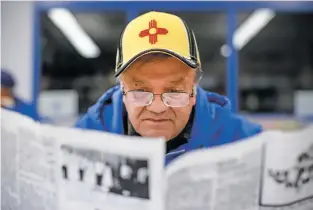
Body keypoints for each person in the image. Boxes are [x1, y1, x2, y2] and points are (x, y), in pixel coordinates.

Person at [75, 11, 263, 164]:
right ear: (122, 90)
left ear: (194, 90)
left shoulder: (244, 139)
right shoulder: (86, 135)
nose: (158, 108)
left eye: (174, 92)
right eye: (140, 91)